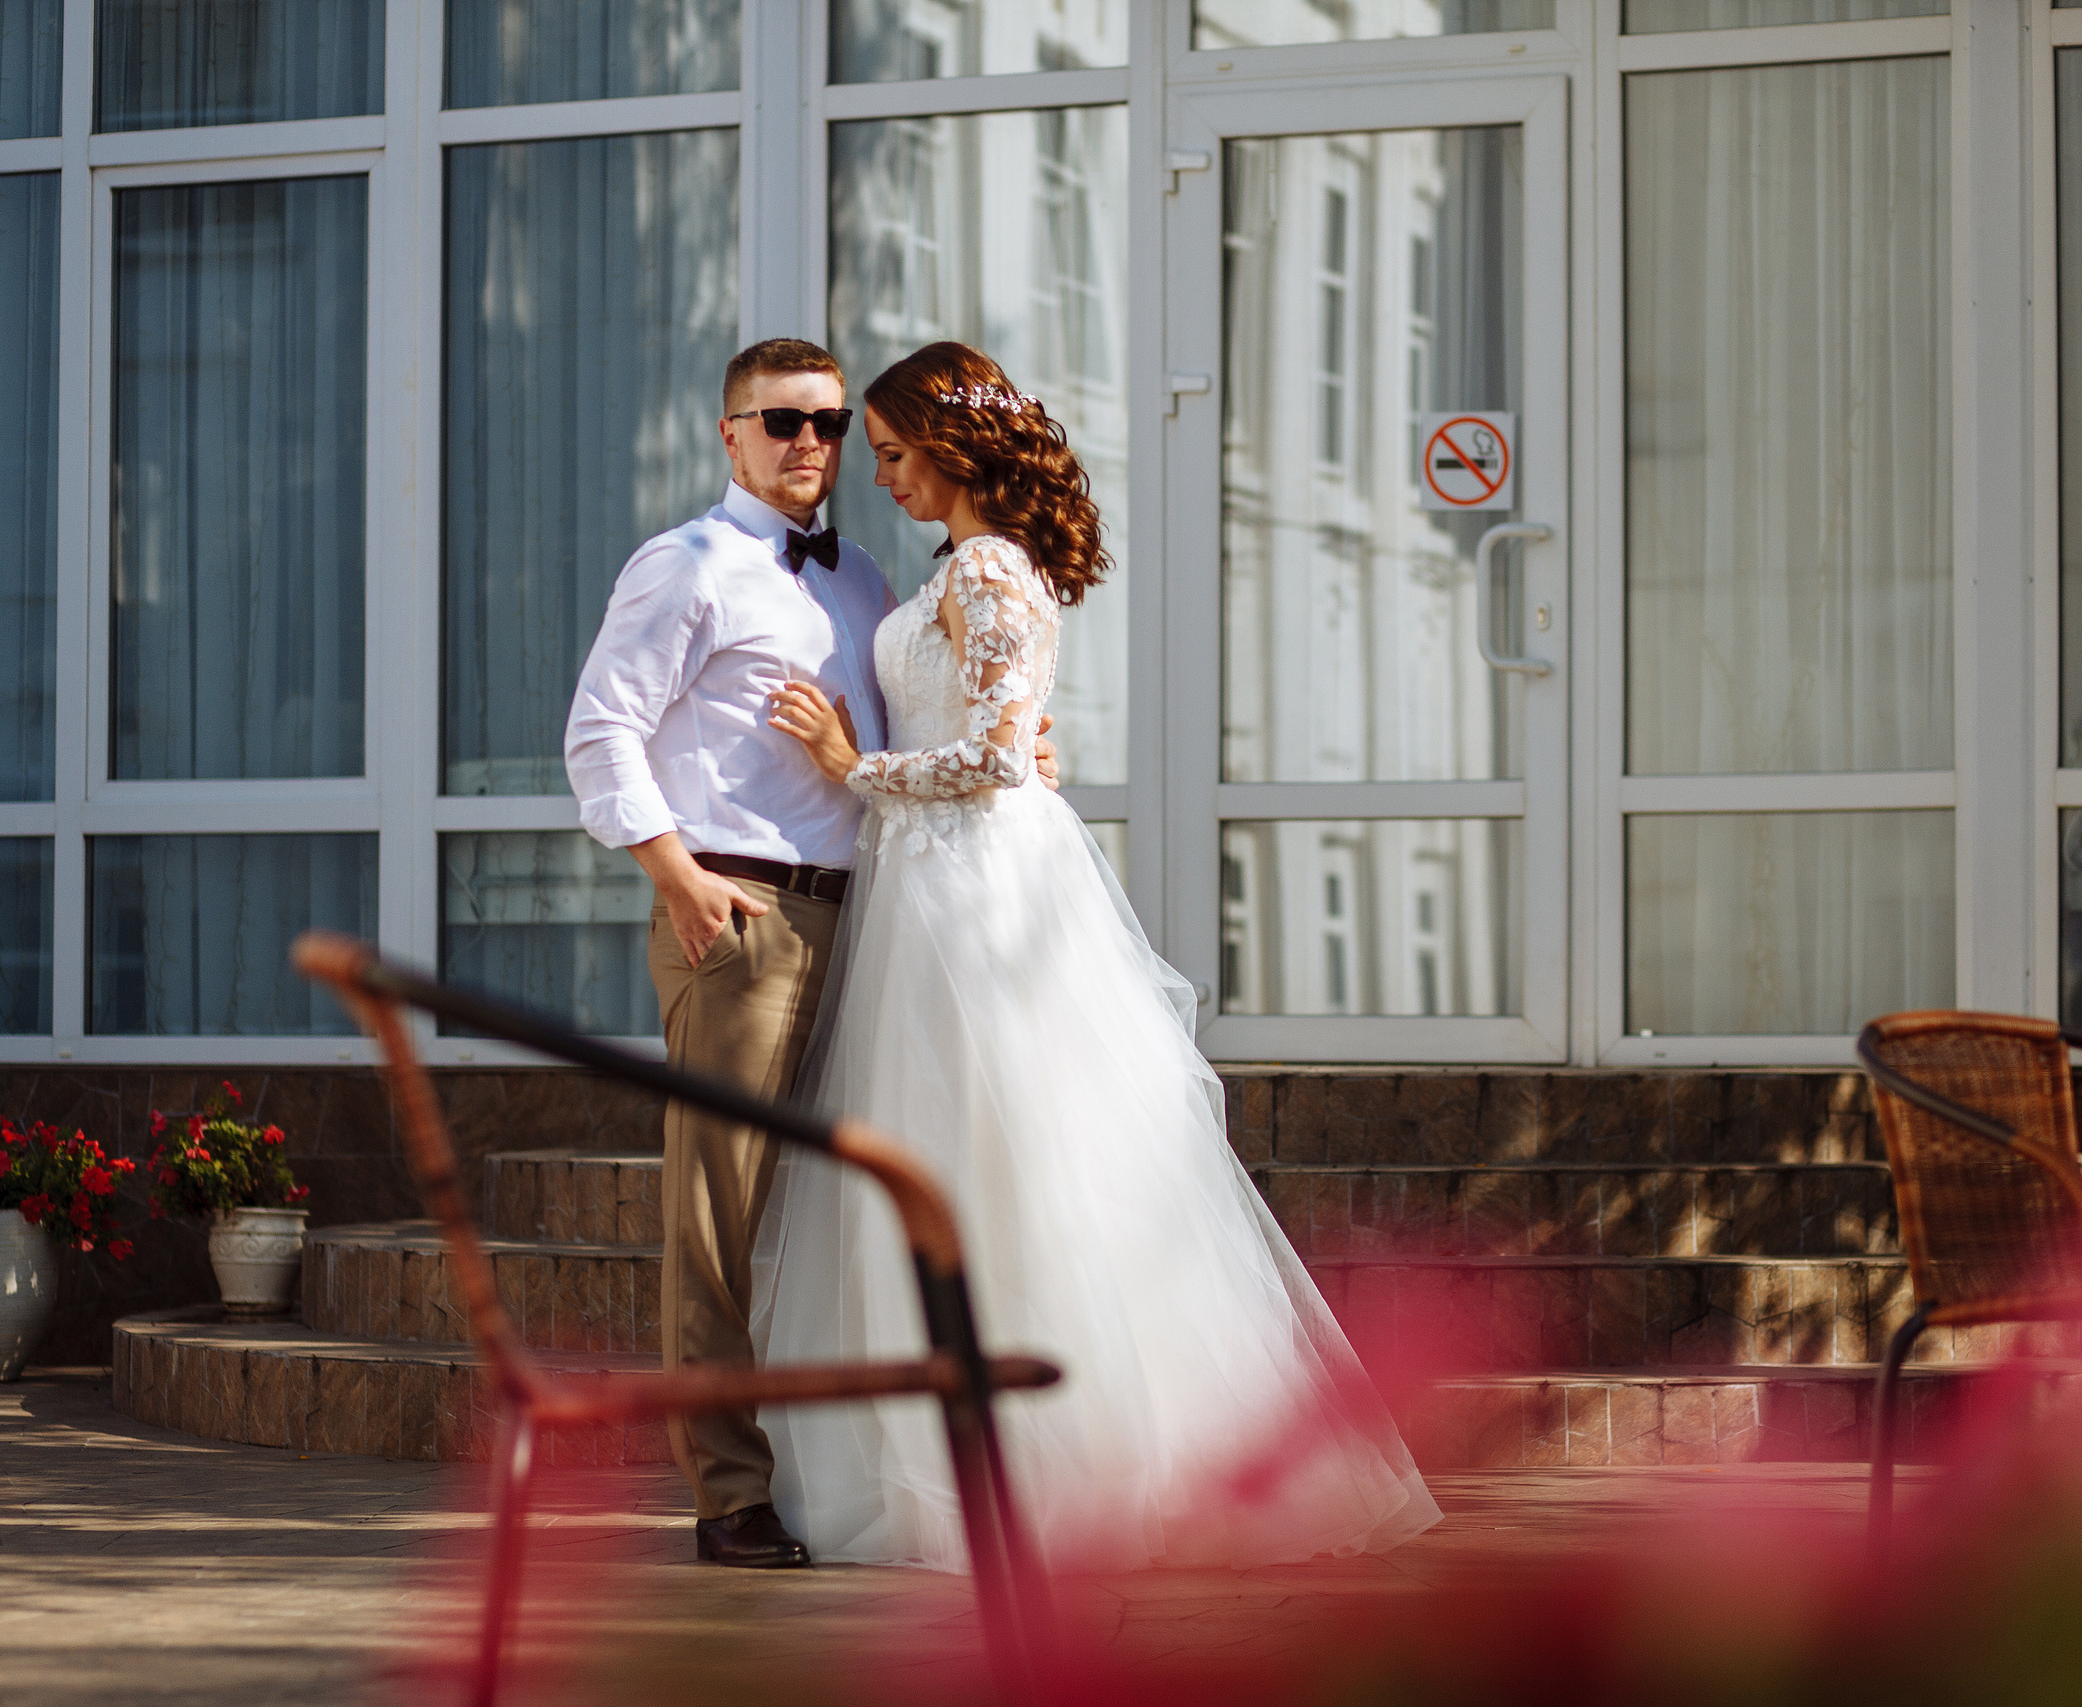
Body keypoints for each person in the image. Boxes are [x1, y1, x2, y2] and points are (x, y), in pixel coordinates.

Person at [758, 342, 1440, 1572]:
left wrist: (847, 766)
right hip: (934, 881)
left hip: (982, 889)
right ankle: (958, 1463)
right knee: (953, 1156)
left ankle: (1075, 1467)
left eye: (901, 455)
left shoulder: (992, 573)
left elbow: (1001, 761)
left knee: (1020, 1157)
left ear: (956, 449)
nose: (886, 479)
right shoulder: (962, 571)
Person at [564, 338, 1057, 1570]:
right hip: (741, 919)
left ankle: (852, 1474)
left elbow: (924, 734)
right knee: (718, 1220)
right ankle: (729, 1492)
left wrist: (1024, 763)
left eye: (833, 426)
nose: (811, 447)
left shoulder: (870, 574)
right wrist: (673, 873)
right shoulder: (684, 566)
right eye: (782, 422)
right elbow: (599, 730)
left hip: (886, 921)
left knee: (837, 1218)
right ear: (729, 433)